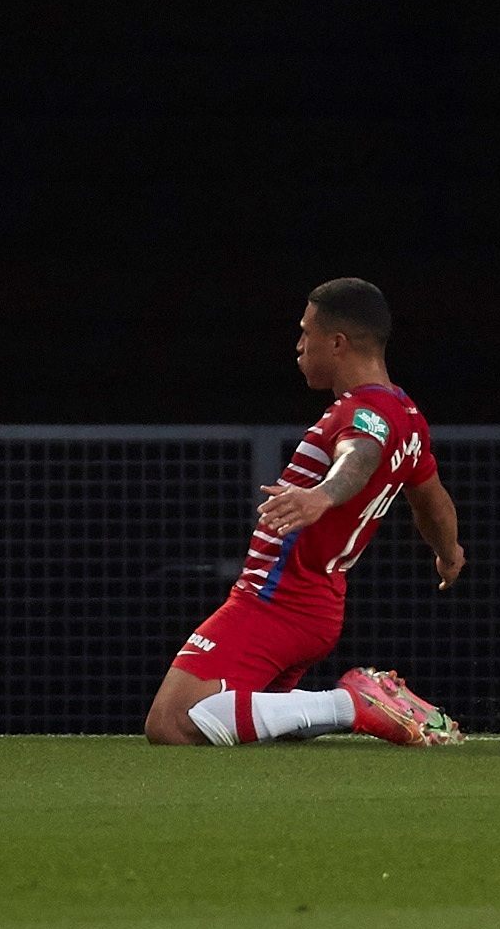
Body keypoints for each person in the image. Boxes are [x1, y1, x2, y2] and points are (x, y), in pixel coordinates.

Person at [145, 279, 467, 747]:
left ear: (337, 343)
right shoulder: (408, 415)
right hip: (316, 604)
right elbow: (432, 500)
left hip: (276, 602)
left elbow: (358, 455)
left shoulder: (366, 411)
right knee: (253, 730)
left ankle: (352, 702)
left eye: (305, 332)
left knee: (171, 723)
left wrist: (323, 495)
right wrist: (449, 552)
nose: (299, 345)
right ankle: (345, 708)